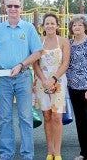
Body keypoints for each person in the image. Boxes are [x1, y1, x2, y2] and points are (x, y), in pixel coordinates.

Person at [0, 0, 43, 160]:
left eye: (16, 6)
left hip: (23, 77)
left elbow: (38, 52)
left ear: (21, 8)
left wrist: (21, 65)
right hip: (3, 78)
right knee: (4, 118)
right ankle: (6, 154)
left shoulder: (28, 28)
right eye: (10, 6)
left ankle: (27, 155)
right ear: (5, 8)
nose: (13, 9)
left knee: (26, 117)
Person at [33, 13, 70, 160]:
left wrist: (54, 79)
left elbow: (65, 63)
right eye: (47, 23)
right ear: (43, 26)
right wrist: (43, 79)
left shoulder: (64, 42)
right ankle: (50, 151)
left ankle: (58, 152)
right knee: (47, 116)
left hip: (58, 82)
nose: (49, 26)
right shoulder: (38, 41)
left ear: (57, 25)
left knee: (57, 116)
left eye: (52, 23)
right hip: (42, 82)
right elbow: (35, 63)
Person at [66, 14, 87, 160]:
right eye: (74, 25)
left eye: (79, 25)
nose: (77, 27)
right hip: (73, 87)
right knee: (80, 122)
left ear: (85, 27)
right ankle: (84, 153)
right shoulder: (69, 43)